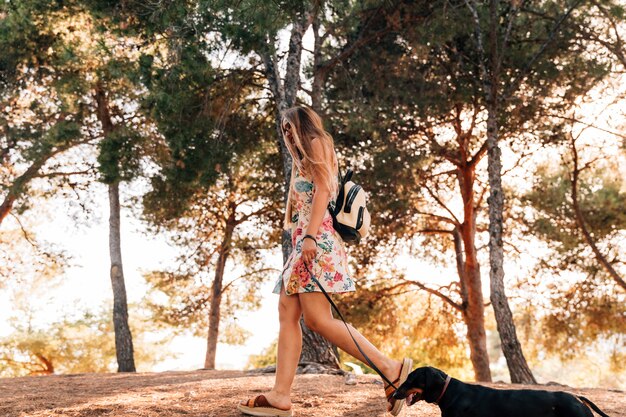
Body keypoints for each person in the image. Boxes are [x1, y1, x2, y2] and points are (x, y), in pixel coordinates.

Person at [238, 106, 412, 417]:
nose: (288, 134)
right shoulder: (301, 160)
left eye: (291, 127)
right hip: (303, 244)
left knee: (318, 319)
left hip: (316, 242)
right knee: (286, 313)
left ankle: (391, 368)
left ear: (302, 125)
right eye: (284, 130)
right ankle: (280, 395)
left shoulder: (318, 142)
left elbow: (321, 192)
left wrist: (310, 238)